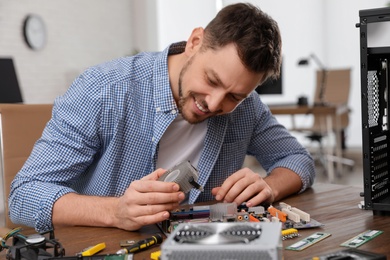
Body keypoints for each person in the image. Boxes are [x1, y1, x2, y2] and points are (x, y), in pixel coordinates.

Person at [9, 3, 315, 232]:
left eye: (234, 96)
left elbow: (297, 160)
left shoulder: (247, 107)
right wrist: (116, 211)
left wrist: (269, 187)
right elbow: (24, 195)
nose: (213, 103)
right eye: (211, 80)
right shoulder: (104, 89)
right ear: (195, 42)